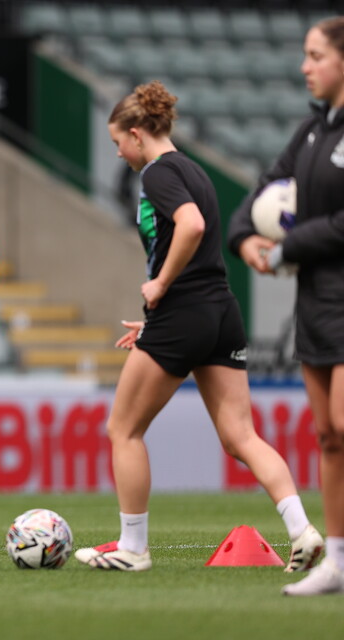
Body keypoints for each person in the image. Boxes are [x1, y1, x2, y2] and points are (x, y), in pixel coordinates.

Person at [75, 81, 323, 575]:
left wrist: (160, 286)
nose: (119, 152)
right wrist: (158, 317)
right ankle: (302, 529)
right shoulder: (194, 169)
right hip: (220, 312)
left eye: (118, 142)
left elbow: (190, 226)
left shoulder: (158, 173)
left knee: (123, 429)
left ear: (139, 133)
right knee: (240, 437)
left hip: (183, 310)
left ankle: (133, 548)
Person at [228, 16, 344, 596]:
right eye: (304, 54)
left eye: (316, 55)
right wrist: (247, 237)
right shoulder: (309, 133)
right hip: (316, 306)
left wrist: (287, 247)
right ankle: (338, 564)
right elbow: (254, 200)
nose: (305, 67)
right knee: (328, 435)